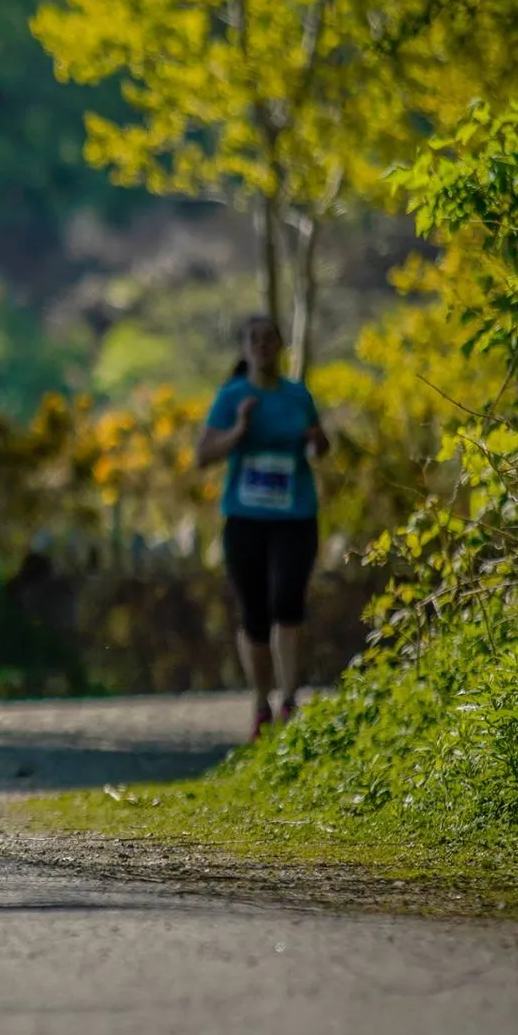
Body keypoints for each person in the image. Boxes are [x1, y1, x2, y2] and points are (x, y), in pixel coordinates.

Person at [196, 315, 330, 741]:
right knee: (254, 612)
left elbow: (318, 446)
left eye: (269, 338)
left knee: (287, 602)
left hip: (295, 517)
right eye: (253, 339)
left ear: (280, 345)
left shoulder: (297, 395)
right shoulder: (232, 396)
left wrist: (318, 441)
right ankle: (260, 703)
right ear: (244, 348)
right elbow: (202, 455)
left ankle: (289, 701)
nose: (262, 345)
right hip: (246, 519)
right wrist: (239, 430)